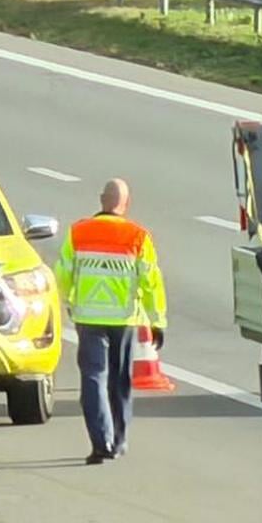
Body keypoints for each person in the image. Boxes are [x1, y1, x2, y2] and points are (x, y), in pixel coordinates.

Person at [56, 179, 167, 464]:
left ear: (101, 200)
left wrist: (68, 302)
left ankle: (100, 441)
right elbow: (151, 280)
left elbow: (63, 272)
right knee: (119, 381)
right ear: (125, 204)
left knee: (93, 379)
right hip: (124, 319)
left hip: (88, 317)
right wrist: (158, 320)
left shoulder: (78, 232)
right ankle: (118, 439)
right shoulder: (138, 235)